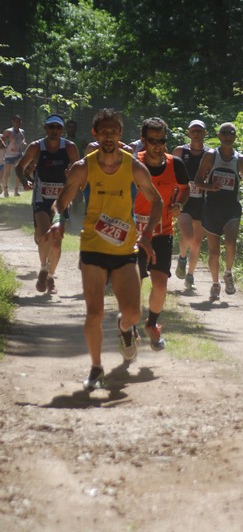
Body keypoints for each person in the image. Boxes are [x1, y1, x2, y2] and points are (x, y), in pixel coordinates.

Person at [48, 108, 163, 390]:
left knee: (133, 313)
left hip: (124, 252)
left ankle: (125, 329)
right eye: (104, 131)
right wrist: (56, 221)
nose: (109, 136)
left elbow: (157, 201)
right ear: (95, 135)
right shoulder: (83, 168)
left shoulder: (134, 166)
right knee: (94, 313)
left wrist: (146, 234)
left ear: (120, 134)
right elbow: (59, 203)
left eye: (114, 131)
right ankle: (96, 367)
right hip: (93, 250)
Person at [134, 117, 190, 348]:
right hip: (135, 235)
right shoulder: (133, 164)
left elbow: (185, 188)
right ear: (143, 140)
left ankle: (152, 324)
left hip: (163, 232)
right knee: (133, 283)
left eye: (162, 140)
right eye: (152, 140)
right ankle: (129, 327)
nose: (157, 145)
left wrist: (180, 204)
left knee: (160, 285)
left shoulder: (175, 164)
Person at [15, 114, 80, 294]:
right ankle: (43, 269)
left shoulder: (69, 147)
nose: (54, 131)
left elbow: (81, 170)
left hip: (61, 199)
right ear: (45, 128)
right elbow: (19, 167)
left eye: (58, 128)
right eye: (51, 127)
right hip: (41, 197)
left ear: (62, 130)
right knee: (44, 235)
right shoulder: (36, 147)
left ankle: (50, 276)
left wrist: (71, 176)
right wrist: (24, 181)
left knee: (57, 241)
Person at [194, 122, 243, 301]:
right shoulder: (211, 155)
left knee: (230, 242)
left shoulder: (240, 159)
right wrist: (209, 187)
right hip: (212, 208)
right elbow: (197, 180)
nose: (228, 136)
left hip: (231, 208)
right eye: (224, 133)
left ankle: (228, 273)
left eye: (231, 133)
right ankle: (215, 284)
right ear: (219, 136)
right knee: (213, 251)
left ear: (235, 137)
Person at [172, 119, 210, 290]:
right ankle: (181, 258)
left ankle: (190, 276)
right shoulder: (180, 151)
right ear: (188, 132)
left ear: (205, 133)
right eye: (193, 130)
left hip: (202, 202)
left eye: (199, 130)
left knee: (197, 242)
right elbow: (170, 173)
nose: (196, 133)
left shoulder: (210, 154)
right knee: (187, 235)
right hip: (183, 199)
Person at [0, 115, 26, 197]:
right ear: (12, 122)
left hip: (18, 154)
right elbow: (2, 142)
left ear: (21, 122)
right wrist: (9, 141)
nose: (17, 123)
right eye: (16, 121)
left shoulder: (22, 131)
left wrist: (24, 143)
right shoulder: (8, 131)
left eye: (19, 121)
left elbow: (24, 139)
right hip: (9, 155)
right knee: (8, 173)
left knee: (19, 172)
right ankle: (5, 190)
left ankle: (16, 190)